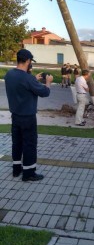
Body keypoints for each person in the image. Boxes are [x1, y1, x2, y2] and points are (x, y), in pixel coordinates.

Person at [4, 49, 53, 181]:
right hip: (27, 117)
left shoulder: (9, 74)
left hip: (15, 115)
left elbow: (22, 84)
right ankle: (29, 173)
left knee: (17, 143)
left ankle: (16, 169)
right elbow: (44, 92)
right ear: (27, 61)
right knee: (29, 144)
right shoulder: (28, 79)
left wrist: (33, 79)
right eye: (30, 61)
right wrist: (48, 82)